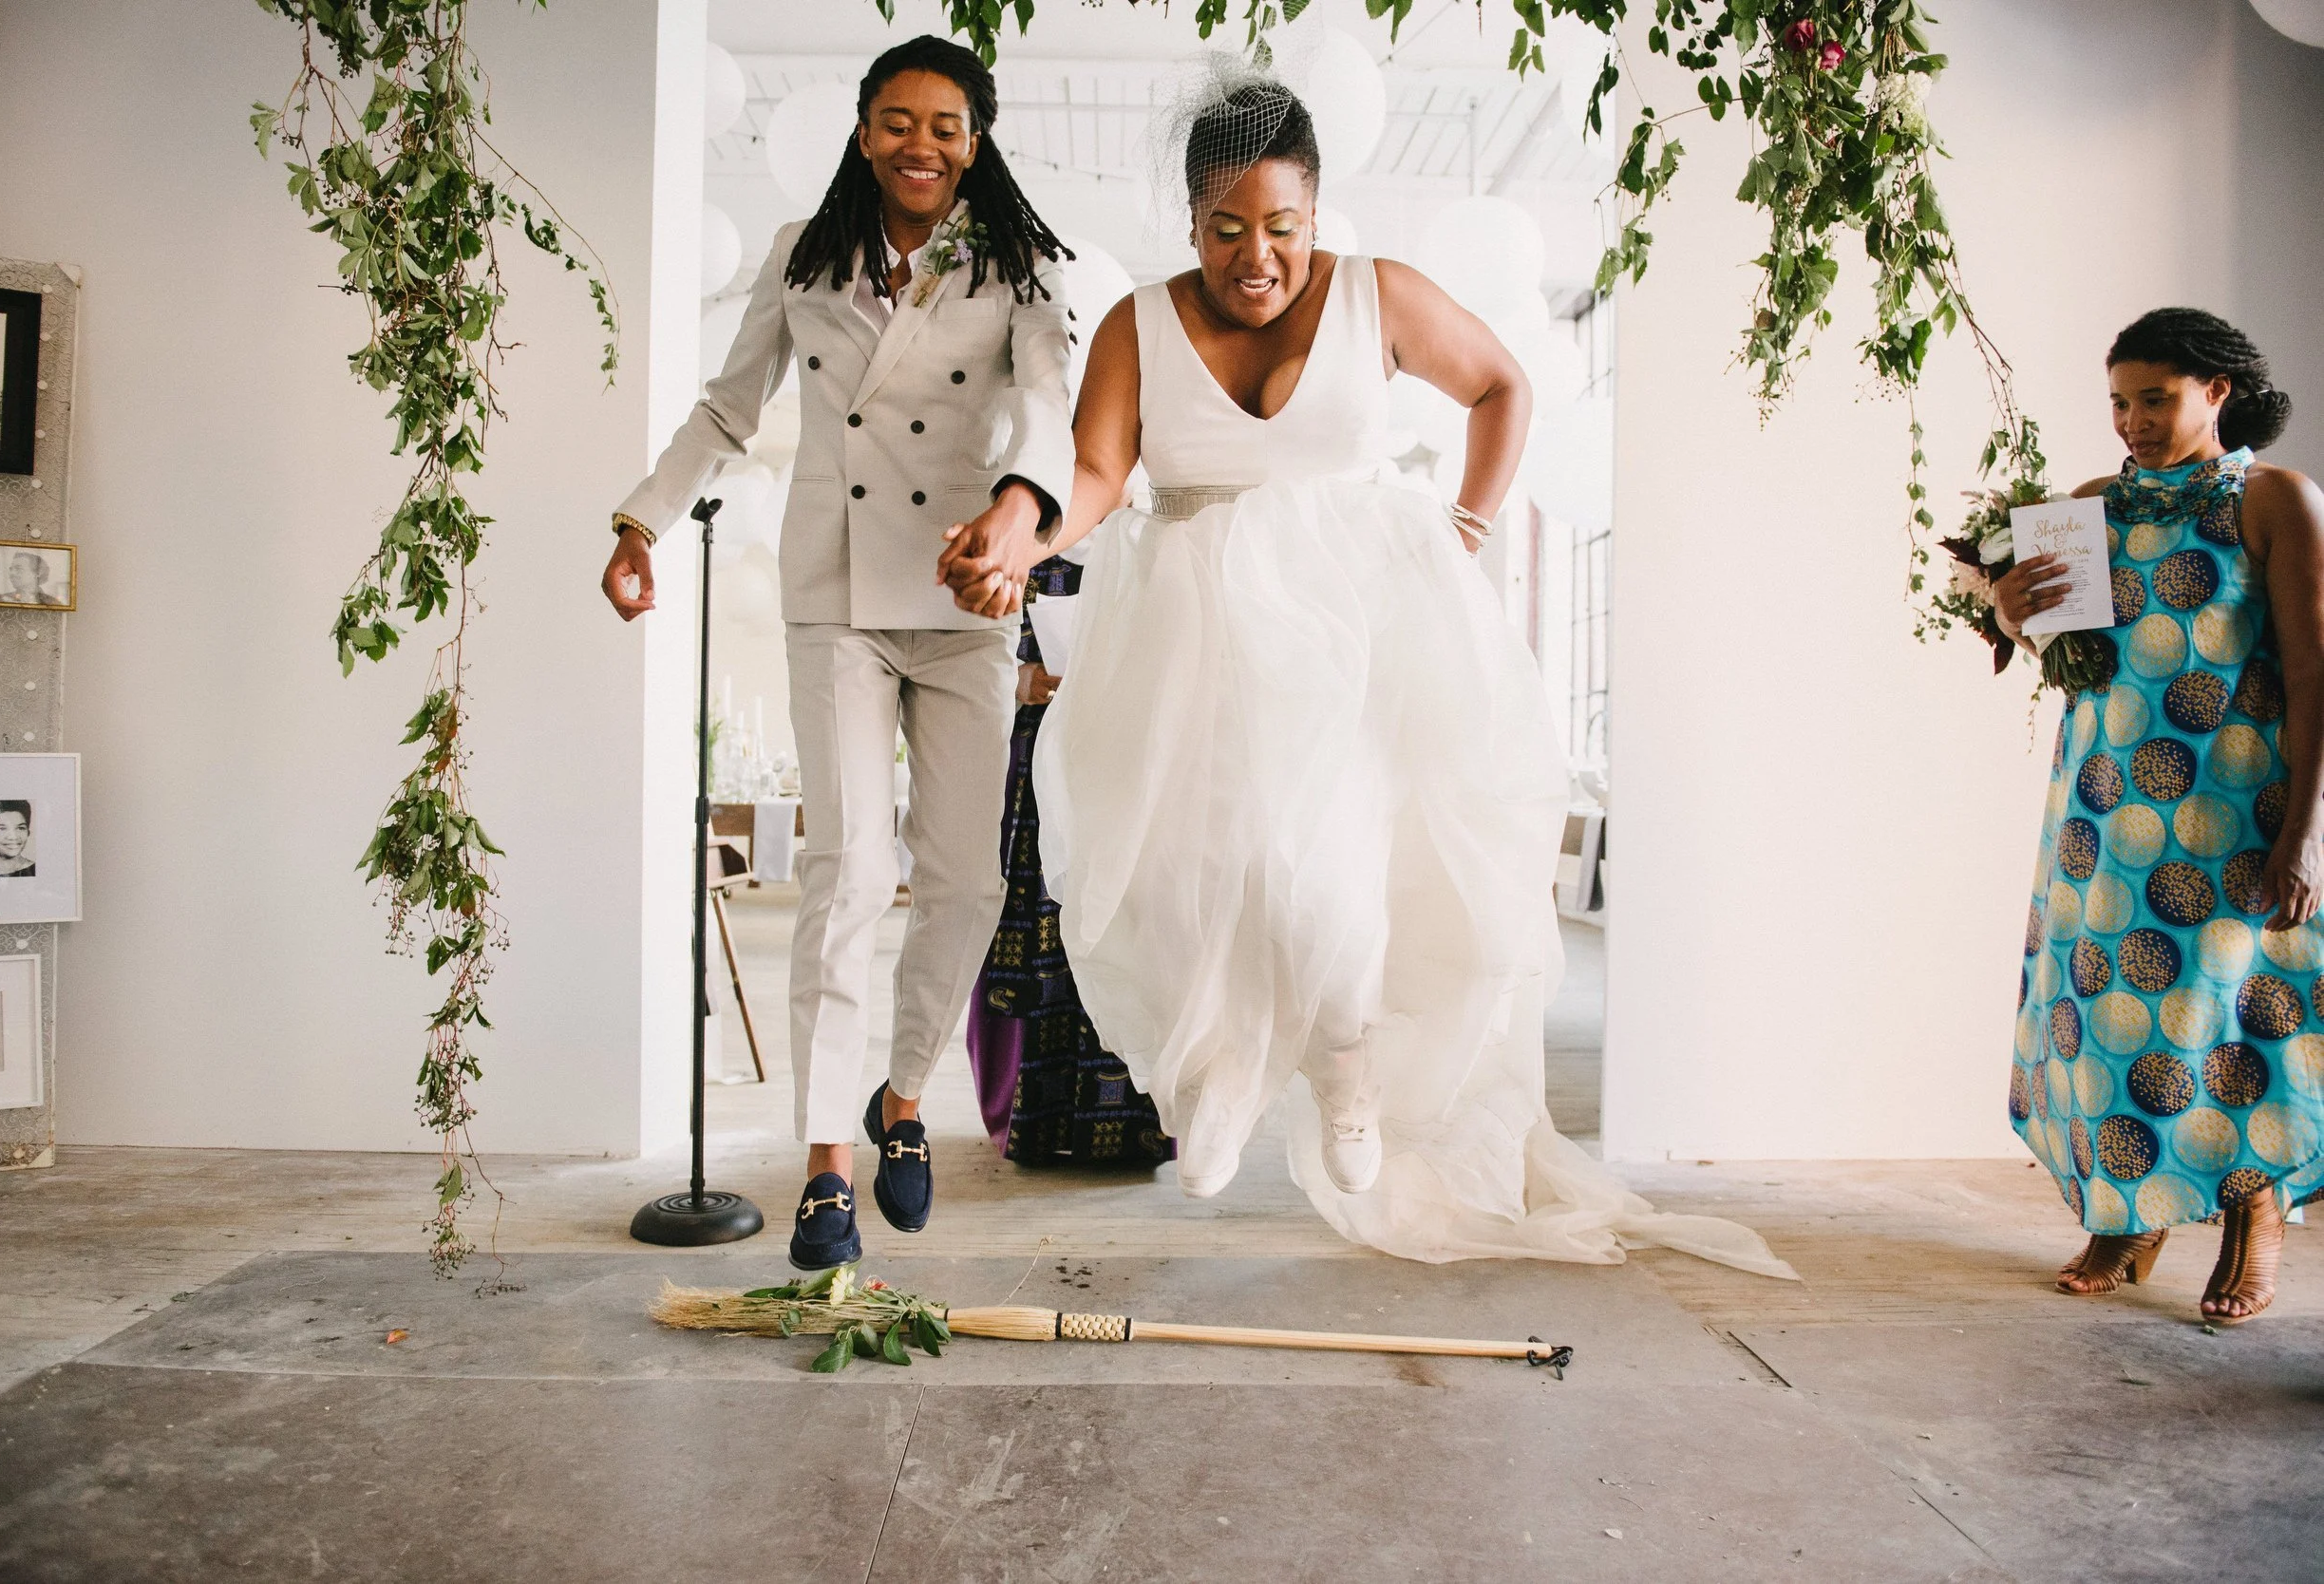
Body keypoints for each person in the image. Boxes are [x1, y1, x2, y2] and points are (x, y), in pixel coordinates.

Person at [936, 66, 1791, 1275]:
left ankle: (1345, 1079)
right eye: (1225, 231)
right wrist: (1018, 539)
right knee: (1188, 871)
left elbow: (1502, 384)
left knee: (1326, 877)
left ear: (1317, 213)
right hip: (1195, 647)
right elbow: (1092, 478)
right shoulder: (1138, 321)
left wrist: (1470, 529)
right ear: (1190, 224)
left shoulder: (1375, 295)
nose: (1255, 257)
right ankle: (1220, 1070)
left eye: (1281, 228)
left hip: (1351, 644)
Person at [600, 36, 1074, 1270]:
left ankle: (901, 1102)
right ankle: (824, 1169)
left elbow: (1049, 408)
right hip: (841, 602)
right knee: (848, 866)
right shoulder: (804, 261)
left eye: (949, 125)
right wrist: (643, 518)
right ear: (864, 132)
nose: (924, 143)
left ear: (976, 144)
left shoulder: (1019, 266)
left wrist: (1021, 513)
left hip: (969, 596)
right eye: (899, 120)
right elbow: (727, 409)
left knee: (966, 880)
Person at [1993, 308, 2324, 1325]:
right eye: (2117, 402)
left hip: (2233, 800)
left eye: (2154, 398)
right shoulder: (2085, 508)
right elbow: (2075, 668)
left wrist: (2302, 833)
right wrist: (2010, 611)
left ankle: (2252, 1211)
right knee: (2105, 1005)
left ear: (2216, 391)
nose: (2130, 421)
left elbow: (2314, 671)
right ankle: (2128, 1213)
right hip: (2105, 804)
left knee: (2233, 1008)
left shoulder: (2274, 500)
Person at [963, 549, 1175, 1169]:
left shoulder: (1149, 546)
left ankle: (1138, 1126)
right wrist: (1019, 680)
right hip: (1032, 761)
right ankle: (1031, 1118)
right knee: (1034, 928)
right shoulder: (1014, 538)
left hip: (1126, 764)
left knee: (1124, 928)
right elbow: (951, 658)